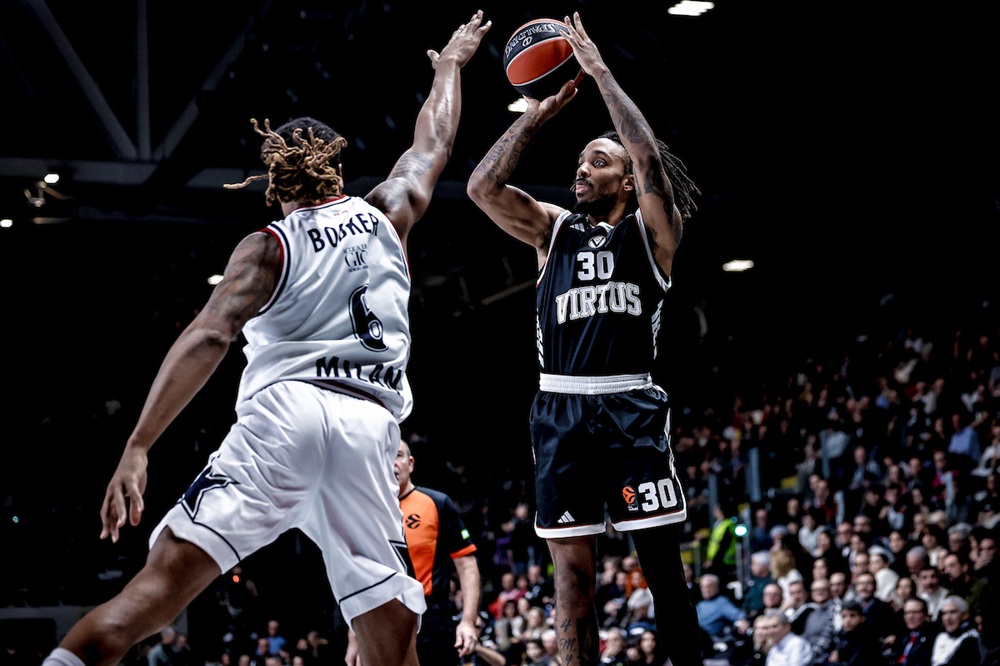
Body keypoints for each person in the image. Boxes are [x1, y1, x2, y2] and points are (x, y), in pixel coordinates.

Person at [37, 11, 491, 666]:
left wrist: (139, 444)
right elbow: (434, 141)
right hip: (369, 430)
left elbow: (208, 336)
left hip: (286, 420)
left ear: (275, 183)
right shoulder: (388, 212)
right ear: (337, 175)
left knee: (150, 599)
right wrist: (449, 64)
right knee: (393, 648)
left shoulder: (268, 248)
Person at [466, 12, 701, 666]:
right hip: (560, 409)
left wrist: (599, 73)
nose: (582, 170)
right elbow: (482, 188)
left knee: (663, 574)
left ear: (626, 183)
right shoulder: (553, 231)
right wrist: (536, 116)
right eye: (579, 161)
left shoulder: (654, 233)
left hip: (629, 407)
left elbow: (650, 157)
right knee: (570, 580)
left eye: (598, 162)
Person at [347, 438, 482, 665]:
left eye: (397, 455)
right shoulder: (366, 512)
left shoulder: (437, 503)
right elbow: (358, 579)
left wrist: (468, 621)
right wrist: (355, 638)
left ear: (410, 464)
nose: (392, 463)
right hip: (381, 618)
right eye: (384, 457)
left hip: (432, 617)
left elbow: (467, 566)